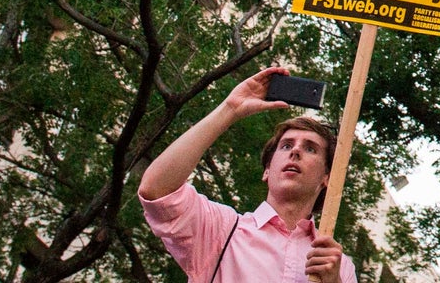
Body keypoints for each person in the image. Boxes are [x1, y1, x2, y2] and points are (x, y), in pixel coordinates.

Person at [138, 65, 353, 283]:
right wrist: (230, 109)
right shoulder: (220, 232)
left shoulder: (338, 265)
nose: (296, 151)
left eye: (310, 148)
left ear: (327, 178)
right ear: (267, 170)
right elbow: (156, 190)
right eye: (286, 146)